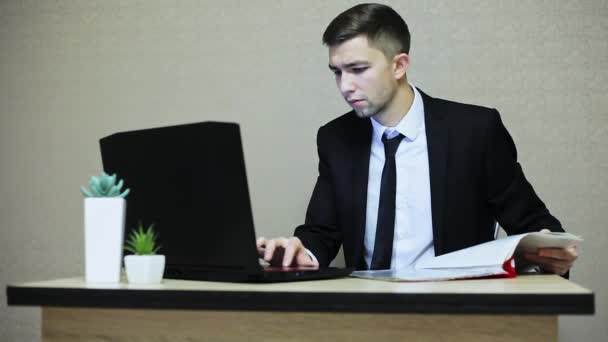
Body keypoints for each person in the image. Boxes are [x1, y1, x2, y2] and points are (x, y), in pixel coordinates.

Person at [256, 3, 577, 275]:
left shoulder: (475, 132)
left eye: (357, 69)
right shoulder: (335, 139)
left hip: (460, 313)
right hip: (364, 314)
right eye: (337, 72)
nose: (345, 86)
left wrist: (552, 255)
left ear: (399, 65)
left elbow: (534, 225)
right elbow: (321, 233)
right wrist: (301, 255)